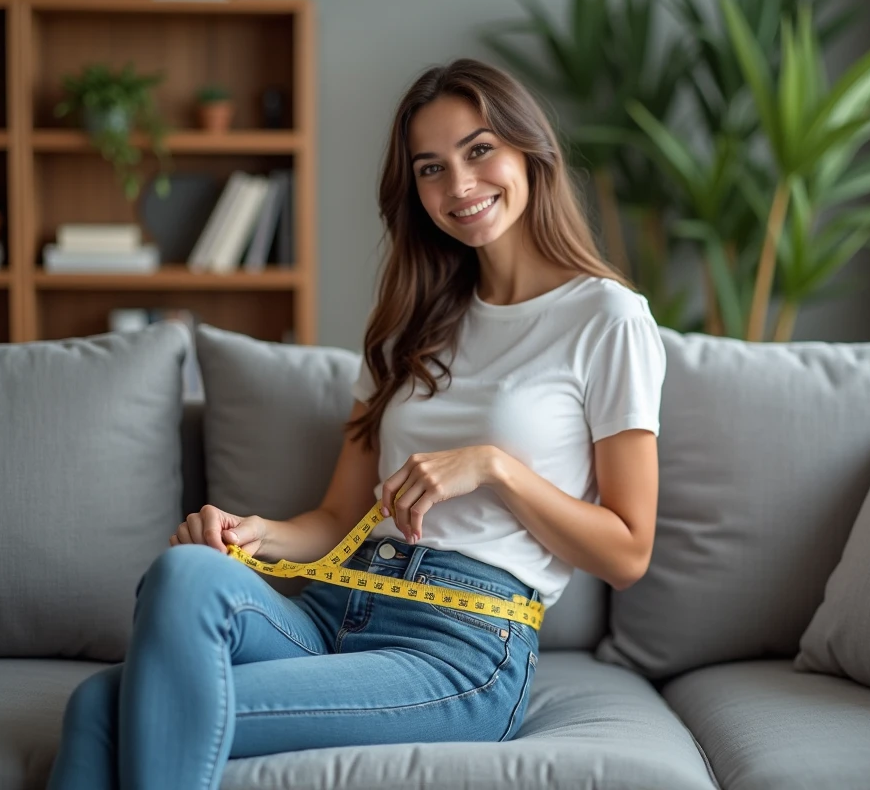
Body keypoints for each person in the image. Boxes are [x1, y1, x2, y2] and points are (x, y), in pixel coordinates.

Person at [46, 57, 666, 790]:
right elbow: (341, 516)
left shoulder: (607, 318)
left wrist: (495, 468)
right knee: (184, 573)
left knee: (106, 711)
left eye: (479, 150)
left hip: (463, 644)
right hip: (337, 602)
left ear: (531, 151)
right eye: (431, 169)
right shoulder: (411, 326)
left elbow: (628, 551)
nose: (459, 185)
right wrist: (254, 534)